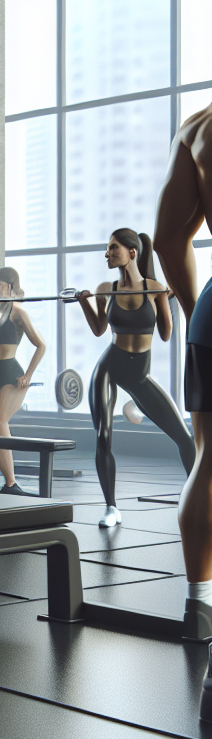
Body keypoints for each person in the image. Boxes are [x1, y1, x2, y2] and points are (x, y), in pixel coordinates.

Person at [78, 228, 194, 529]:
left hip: (139, 373)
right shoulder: (106, 288)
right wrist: (83, 301)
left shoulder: (154, 288)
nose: (107, 254)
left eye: (113, 248)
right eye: (107, 249)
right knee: (103, 436)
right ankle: (111, 507)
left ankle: (199, 496)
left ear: (132, 252)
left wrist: (170, 299)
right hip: (110, 366)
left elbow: (166, 335)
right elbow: (99, 329)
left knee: (184, 438)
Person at [154, 102, 212, 652]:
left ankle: (202, 603)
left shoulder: (199, 125)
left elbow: (168, 241)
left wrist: (198, 311)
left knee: (209, 459)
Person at [0, 266, 47, 495]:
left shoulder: (17, 312)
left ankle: (11, 484)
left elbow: (41, 345)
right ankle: (8, 483)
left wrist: (28, 375)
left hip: (12, 374)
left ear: (9, 287)